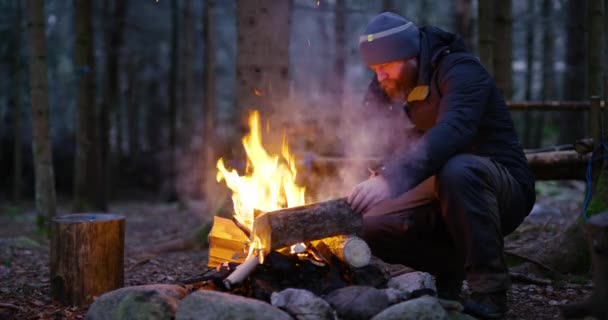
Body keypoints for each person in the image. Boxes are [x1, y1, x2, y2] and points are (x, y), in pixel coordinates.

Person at [346, 12, 536, 319]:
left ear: (408, 54)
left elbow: (454, 131)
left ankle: (490, 292)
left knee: (458, 171)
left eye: (384, 67)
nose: (379, 76)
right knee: (373, 224)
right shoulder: (392, 78)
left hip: (500, 187)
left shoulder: (460, 70)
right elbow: (369, 128)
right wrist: (375, 171)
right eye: (374, 69)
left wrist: (391, 179)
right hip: (437, 186)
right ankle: (447, 272)